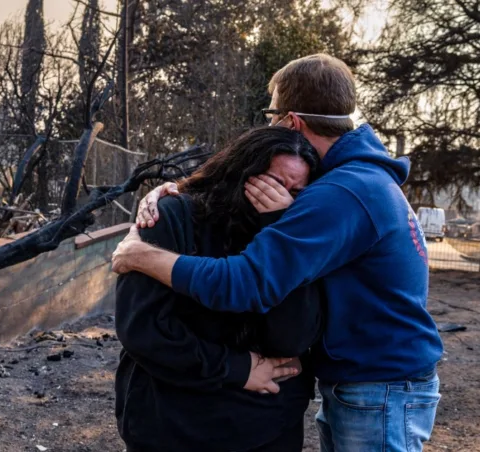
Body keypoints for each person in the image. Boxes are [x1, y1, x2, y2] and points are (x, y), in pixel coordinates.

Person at [111, 54, 443, 452]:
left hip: (378, 387)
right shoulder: (355, 178)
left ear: (291, 122)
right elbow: (234, 175)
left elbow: (247, 282)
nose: (268, 128)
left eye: (271, 116)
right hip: (371, 382)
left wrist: (140, 256)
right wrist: (175, 192)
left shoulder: (341, 192)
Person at [115, 127, 323, 452]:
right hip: (173, 425)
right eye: (273, 183)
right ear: (242, 171)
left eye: (296, 192)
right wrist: (236, 368)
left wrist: (281, 229)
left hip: (268, 426)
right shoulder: (172, 215)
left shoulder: (298, 233)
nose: (281, 197)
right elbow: (142, 328)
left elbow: (292, 337)